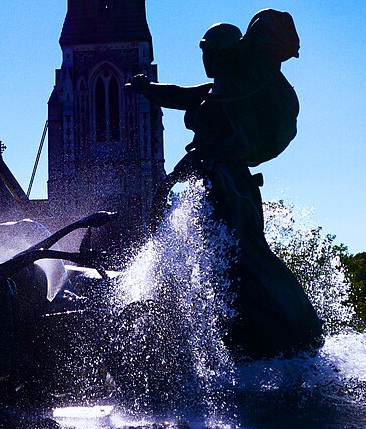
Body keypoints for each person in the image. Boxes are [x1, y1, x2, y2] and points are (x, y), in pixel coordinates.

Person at [127, 15, 323, 357]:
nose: (203, 58)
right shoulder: (222, 87)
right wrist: (147, 89)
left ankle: (281, 328)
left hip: (228, 185)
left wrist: (205, 151)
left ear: (219, 53)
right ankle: (235, 332)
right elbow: (182, 95)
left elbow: (244, 142)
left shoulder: (235, 89)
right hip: (213, 179)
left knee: (238, 257)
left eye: (206, 51)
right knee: (220, 257)